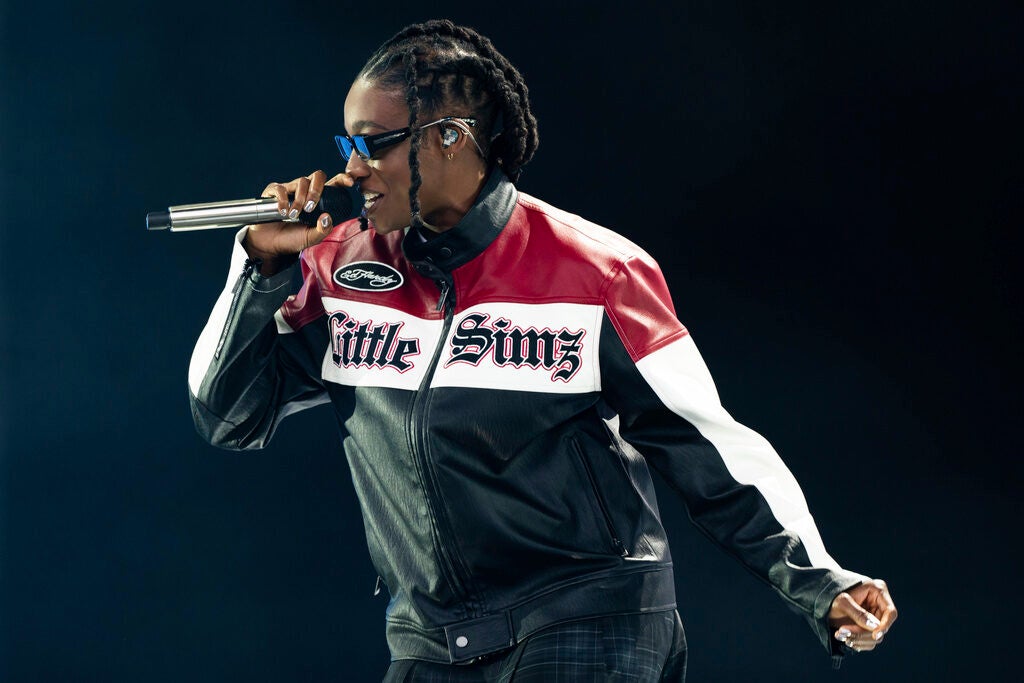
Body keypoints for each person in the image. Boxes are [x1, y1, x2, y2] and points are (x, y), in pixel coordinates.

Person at [188, 19, 897, 682]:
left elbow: (704, 445)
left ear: (451, 138)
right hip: (430, 638)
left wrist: (819, 581)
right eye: (344, 144)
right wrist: (258, 268)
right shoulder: (338, 271)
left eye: (371, 144)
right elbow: (228, 418)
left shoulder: (596, 271)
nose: (349, 171)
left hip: (587, 616)